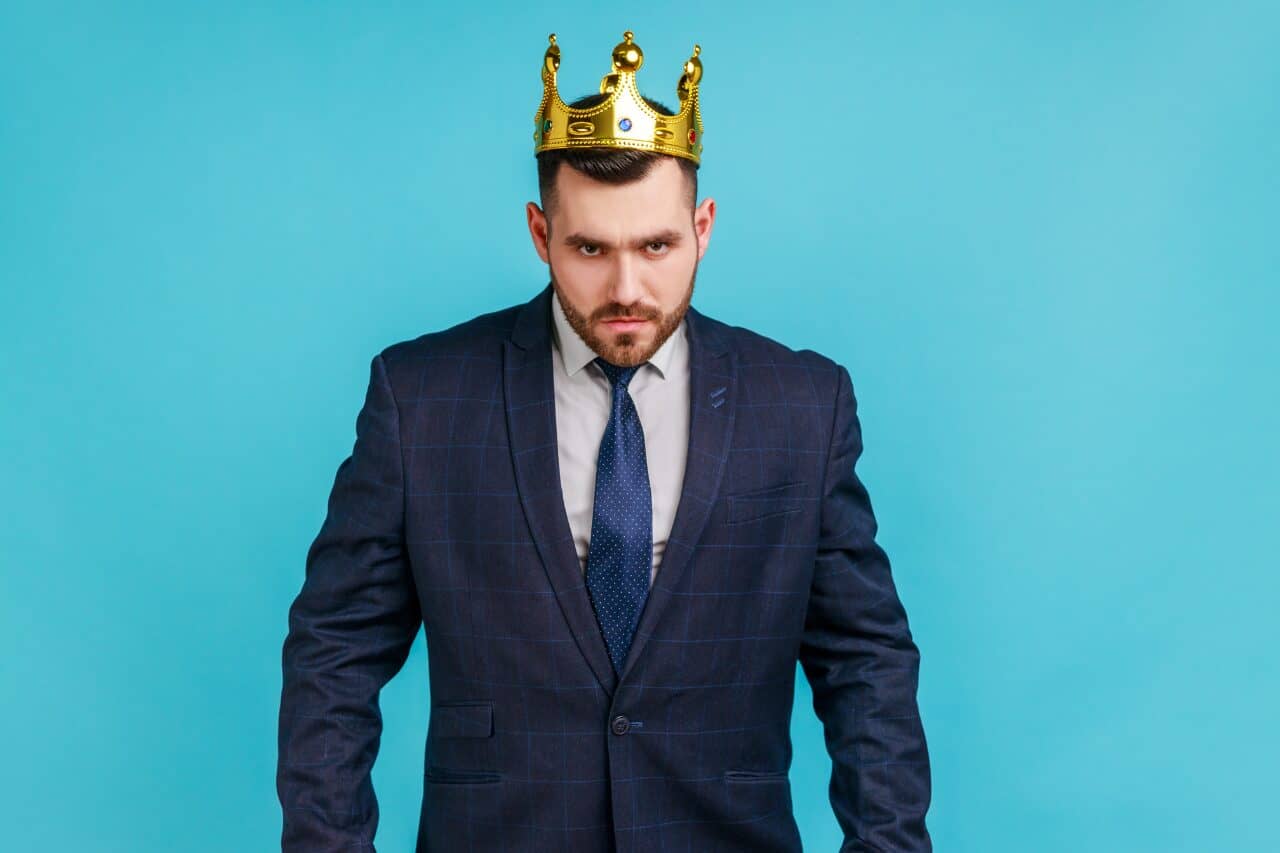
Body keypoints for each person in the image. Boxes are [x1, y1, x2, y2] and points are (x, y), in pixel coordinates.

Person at [277, 29, 931, 852]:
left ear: (703, 227)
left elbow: (865, 662)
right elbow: (333, 651)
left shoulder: (805, 405)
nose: (626, 289)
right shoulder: (421, 400)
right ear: (539, 233)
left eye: (657, 246)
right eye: (590, 248)